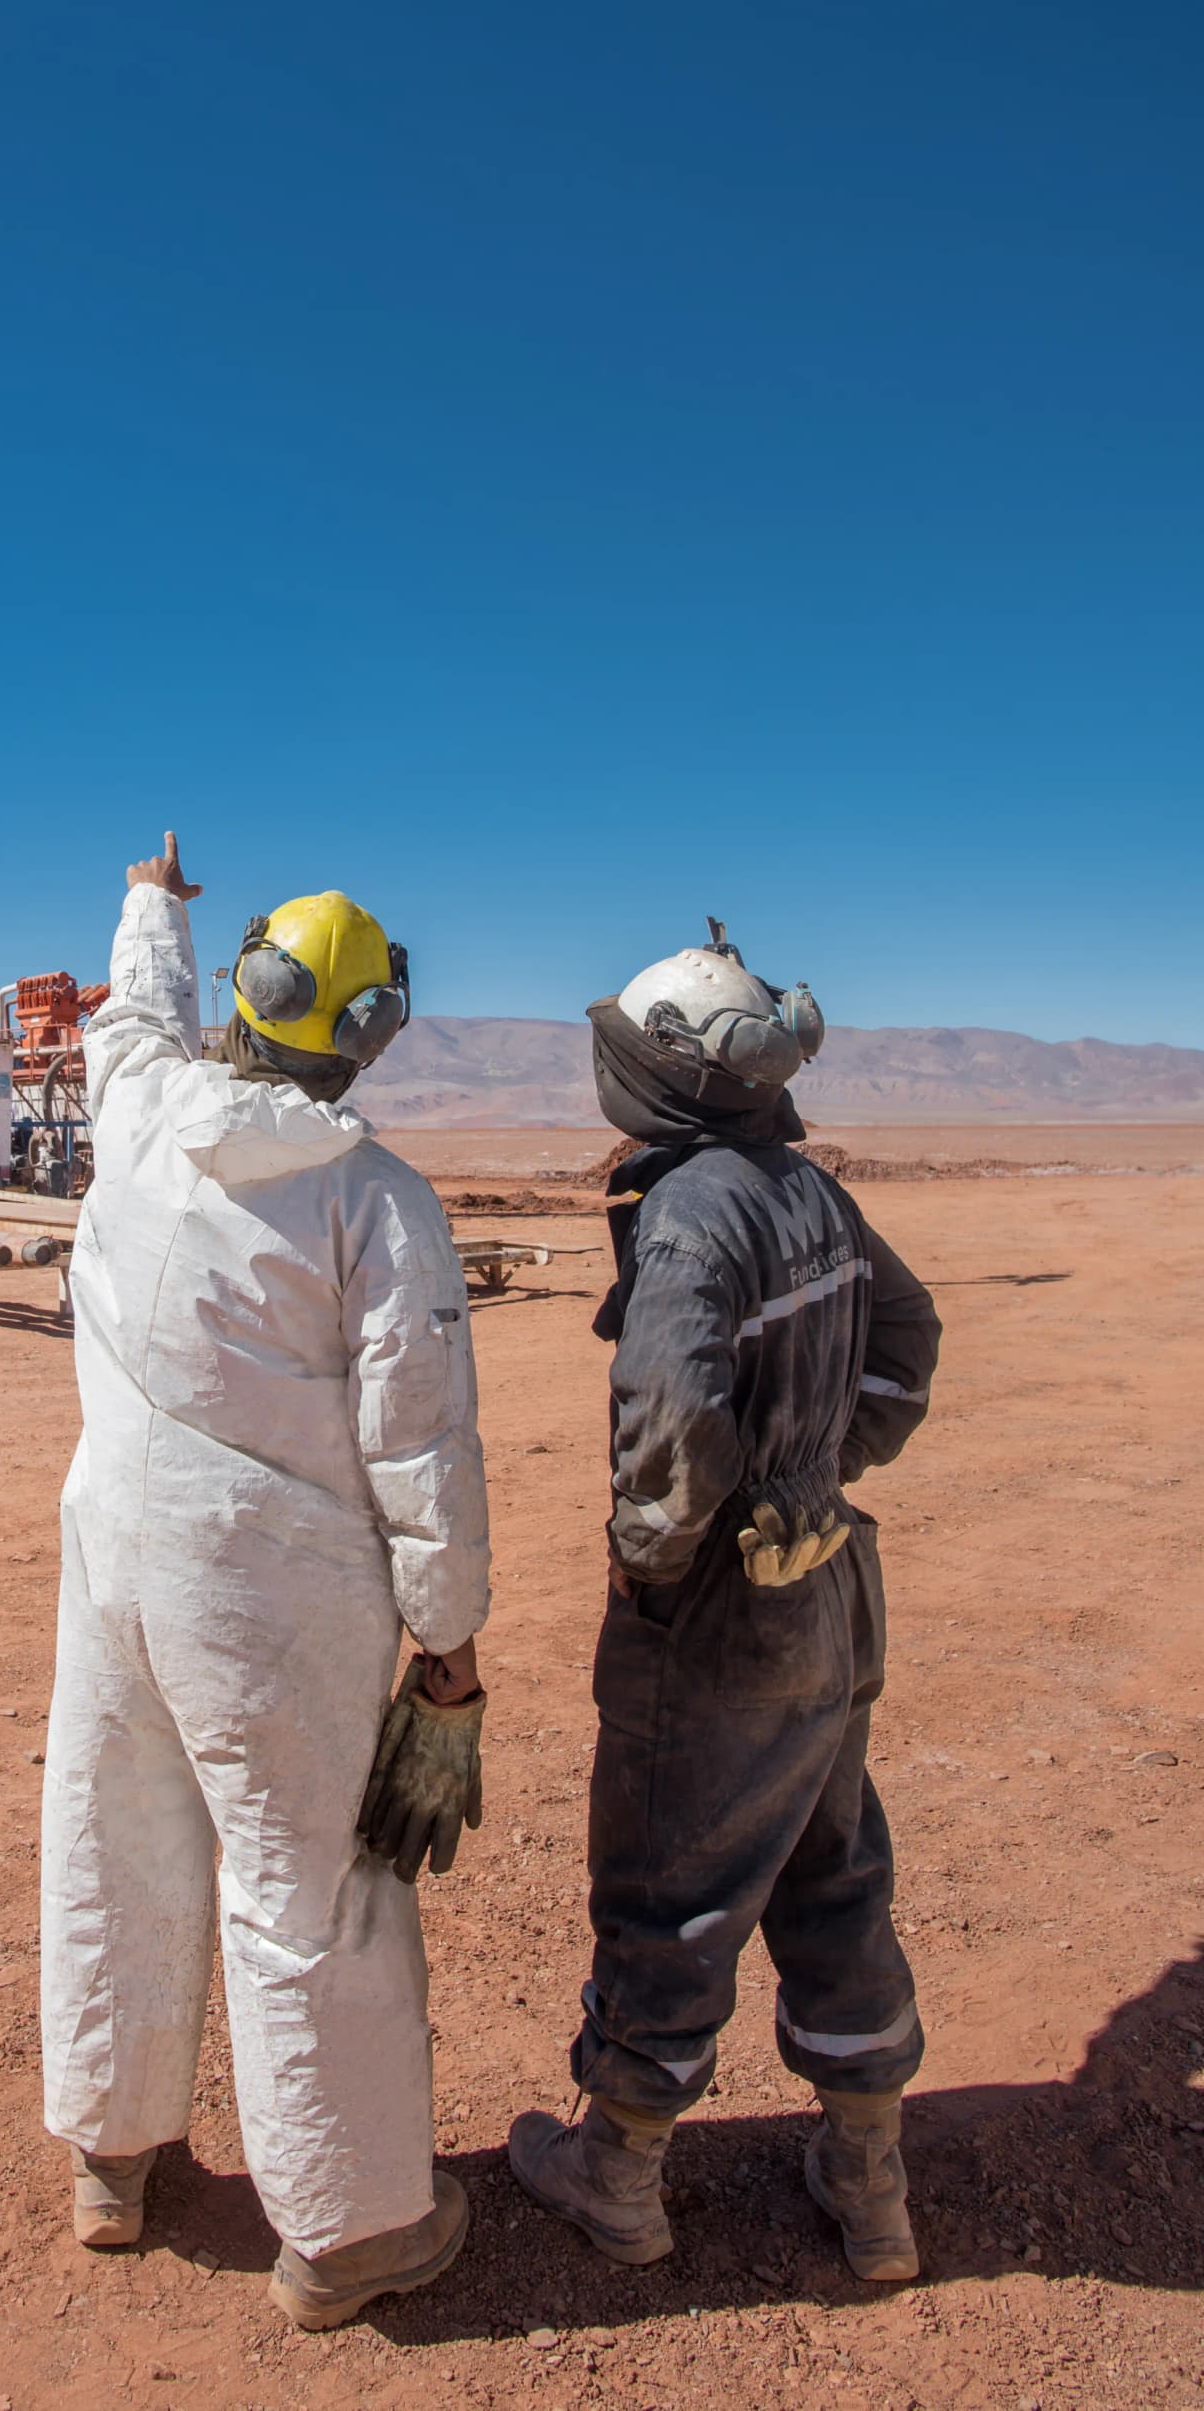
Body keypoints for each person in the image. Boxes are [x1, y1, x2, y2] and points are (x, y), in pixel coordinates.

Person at [40, 835, 492, 2332]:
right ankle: (350, 2230)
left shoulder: (145, 1111)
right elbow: (418, 1445)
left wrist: (149, 903)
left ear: (244, 991)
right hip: (275, 1592)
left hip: (114, 1552)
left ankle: (115, 2161)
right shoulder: (376, 1203)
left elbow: (126, 1018)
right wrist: (450, 1649)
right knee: (312, 1889)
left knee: (115, 1836)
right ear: (371, 1037)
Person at [509, 924, 941, 2284]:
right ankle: (871, 2181)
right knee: (831, 1862)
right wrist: (822, 1473)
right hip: (831, 1597)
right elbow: (909, 1340)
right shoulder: (813, 1195)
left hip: (719, 1624)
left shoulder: (692, 1214)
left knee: (669, 1877)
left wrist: (658, 1556)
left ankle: (622, 2172)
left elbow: (677, 1411)